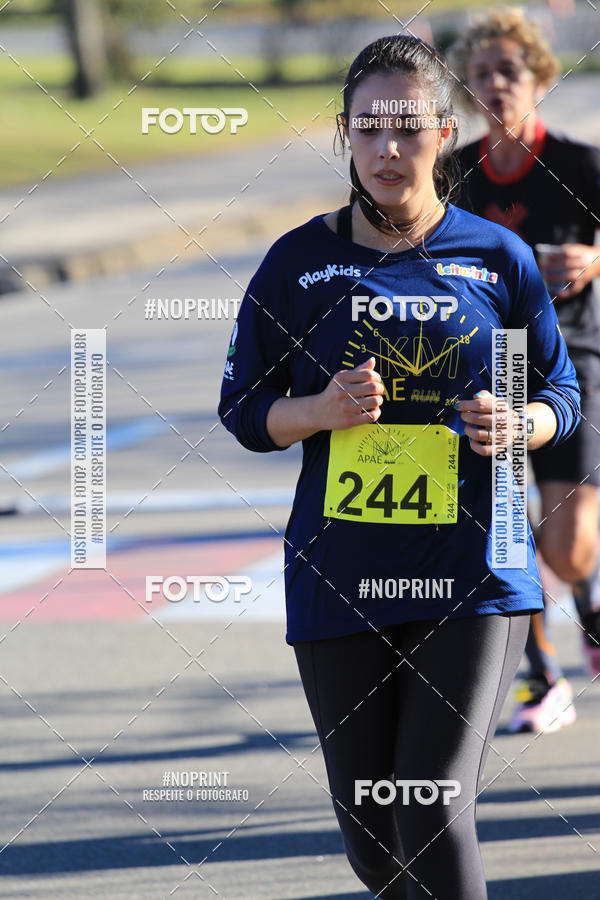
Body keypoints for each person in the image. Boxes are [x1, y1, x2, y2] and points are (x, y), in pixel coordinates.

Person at [218, 35, 580, 899]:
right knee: (376, 844)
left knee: (429, 803)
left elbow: (560, 392)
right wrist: (320, 411)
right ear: (344, 132)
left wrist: (520, 421)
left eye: (409, 127)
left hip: (475, 571)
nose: (388, 148)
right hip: (341, 575)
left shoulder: (496, 257)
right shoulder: (298, 264)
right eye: (369, 127)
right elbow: (244, 410)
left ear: (443, 132)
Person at [450, 7, 600, 735]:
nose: (496, 84)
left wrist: (594, 259)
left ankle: (589, 601)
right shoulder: (452, 174)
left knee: (568, 549)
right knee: (506, 531)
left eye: (509, 70)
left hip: (573, 360)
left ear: (540, 77)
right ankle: (542, 676)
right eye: (481, 74)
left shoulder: (579, 164)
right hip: (492, 368)